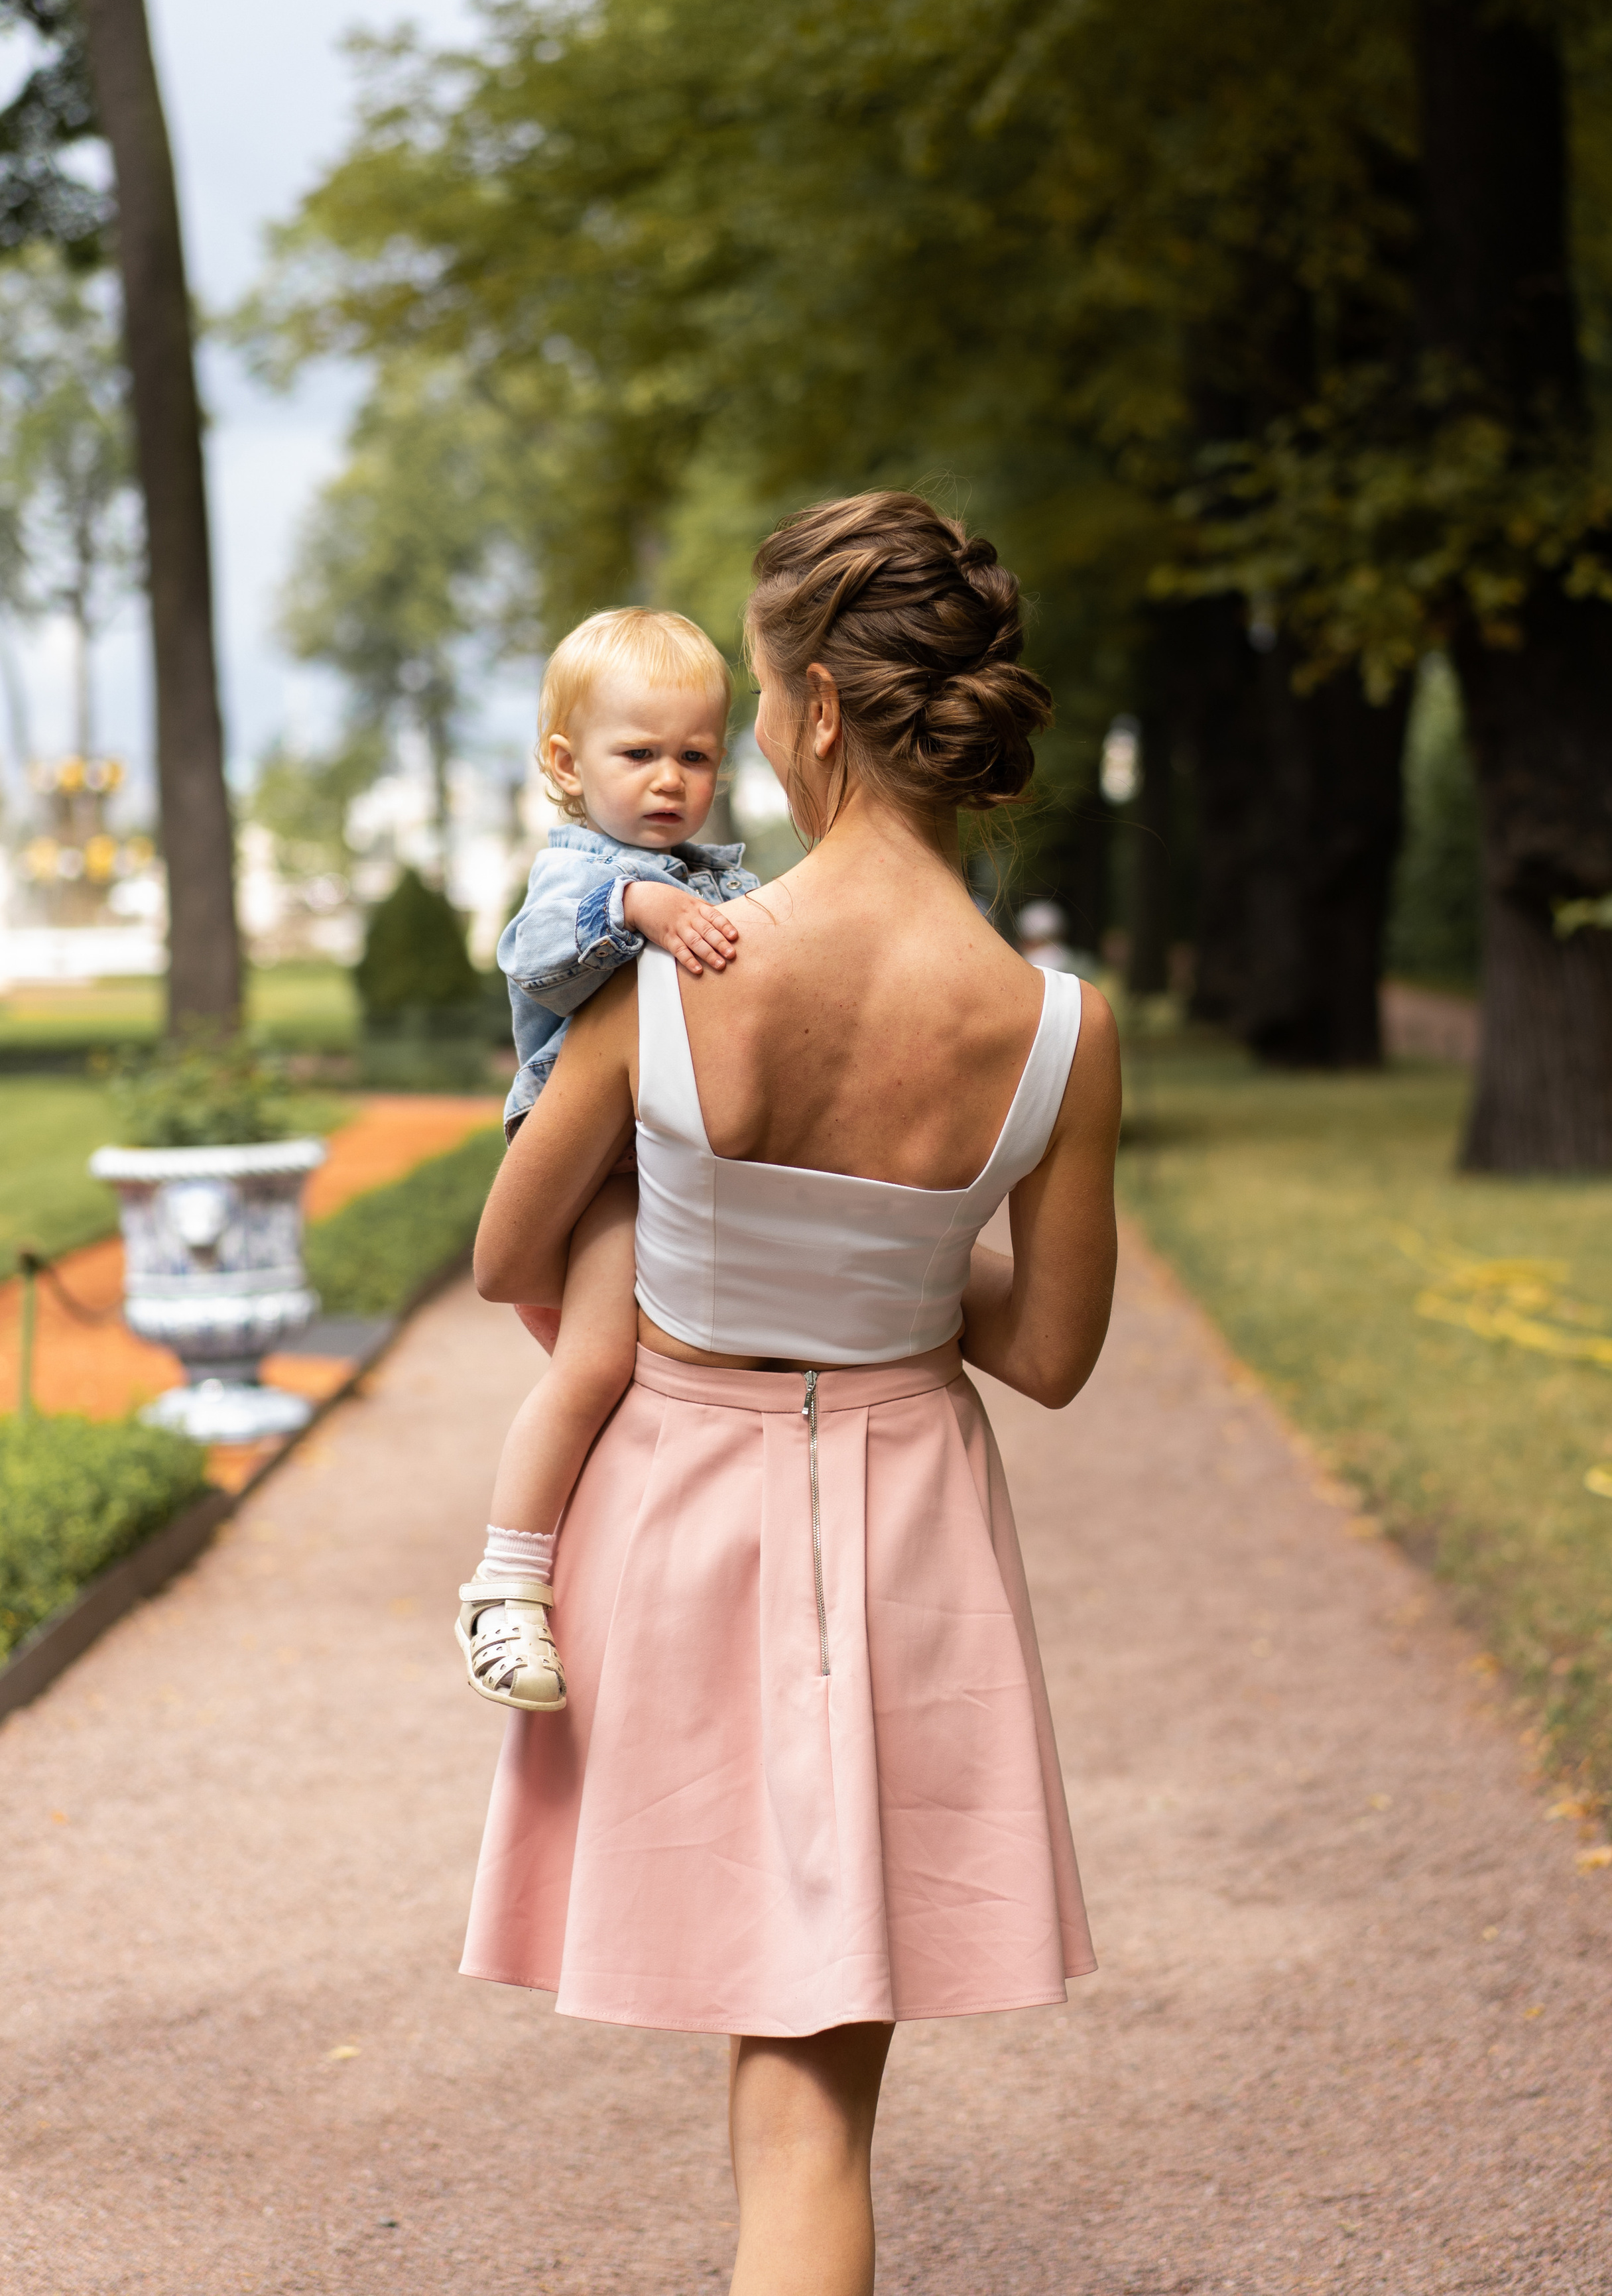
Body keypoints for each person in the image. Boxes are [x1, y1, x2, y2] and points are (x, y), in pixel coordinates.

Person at [466, 490, 1123, 2295]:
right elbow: (1049, 1354)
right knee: (819, 2082)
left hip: (684, 1514)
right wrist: (885, 1258)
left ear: (820, 711)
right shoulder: (1057, 1028)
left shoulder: (673, 982)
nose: (749, 736)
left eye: (759, 697)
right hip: (908, 1538)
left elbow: (510, 1255)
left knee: (788, 2085)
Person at [460, 608, 761, 1712]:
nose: (671, 780)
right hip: (596, 1166)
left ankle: (642, 1567)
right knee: (593, 1366)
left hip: (682, 1155)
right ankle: (504, 1585)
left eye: (696, 756)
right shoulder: (581, 871)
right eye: (638, 754)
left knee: (680, 1377)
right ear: (565, 764)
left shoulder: (720, 881)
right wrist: (638, 905)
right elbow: (535, 957)